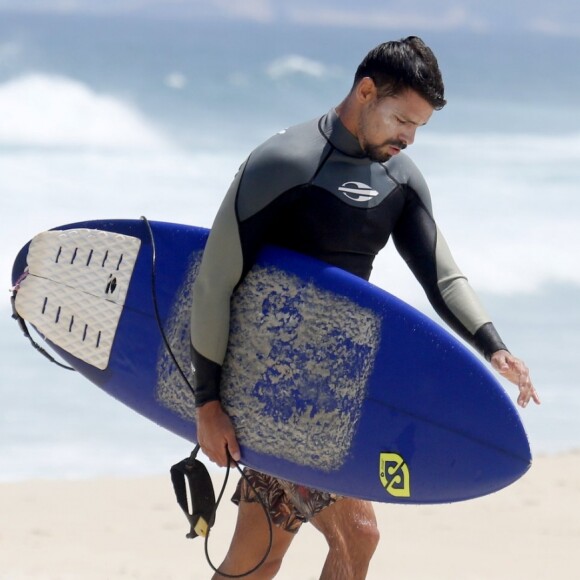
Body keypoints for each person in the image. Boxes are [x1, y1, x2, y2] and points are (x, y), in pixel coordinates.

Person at [189, 36, 540, 579]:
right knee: (358, 535)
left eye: (420, 126)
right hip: (267, 386)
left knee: (256, 555)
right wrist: (207, 404)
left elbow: (442, 276)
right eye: (402, 119)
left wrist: (495, 347)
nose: (410, 137)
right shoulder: (283, 162)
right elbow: (215, 280)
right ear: (366, 91)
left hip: (337, 389)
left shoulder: (399, 178)